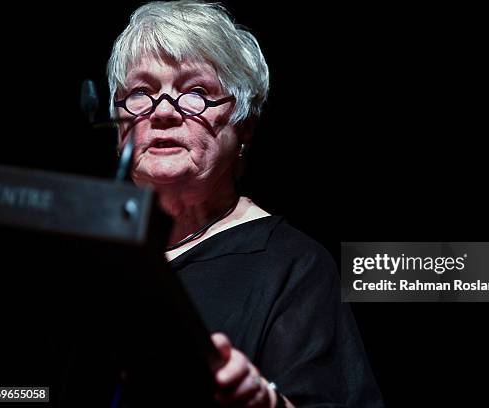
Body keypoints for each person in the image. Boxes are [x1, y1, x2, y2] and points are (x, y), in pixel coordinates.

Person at [107, 1, 384, 407]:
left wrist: (264, 403)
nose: (163, 111)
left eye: (196, 92)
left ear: (245, 125)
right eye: (141, 92)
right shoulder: (85, 251)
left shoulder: (294, 267)